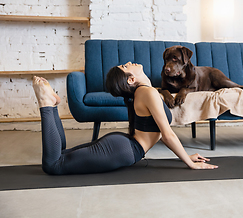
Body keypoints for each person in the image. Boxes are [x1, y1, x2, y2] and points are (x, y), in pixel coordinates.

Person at [32, 63, 217, 175]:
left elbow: (158, 135)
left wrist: (184, 157)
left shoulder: (145, 92)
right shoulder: (148, 93)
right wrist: (189, 163)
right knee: (53, 165)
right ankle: (46, 104)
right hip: (122, 149)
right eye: (126, 66)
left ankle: (52, 105)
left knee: (60, 157)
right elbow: (167, 135)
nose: (129, 63)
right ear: (131, 79)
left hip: (122, 146)